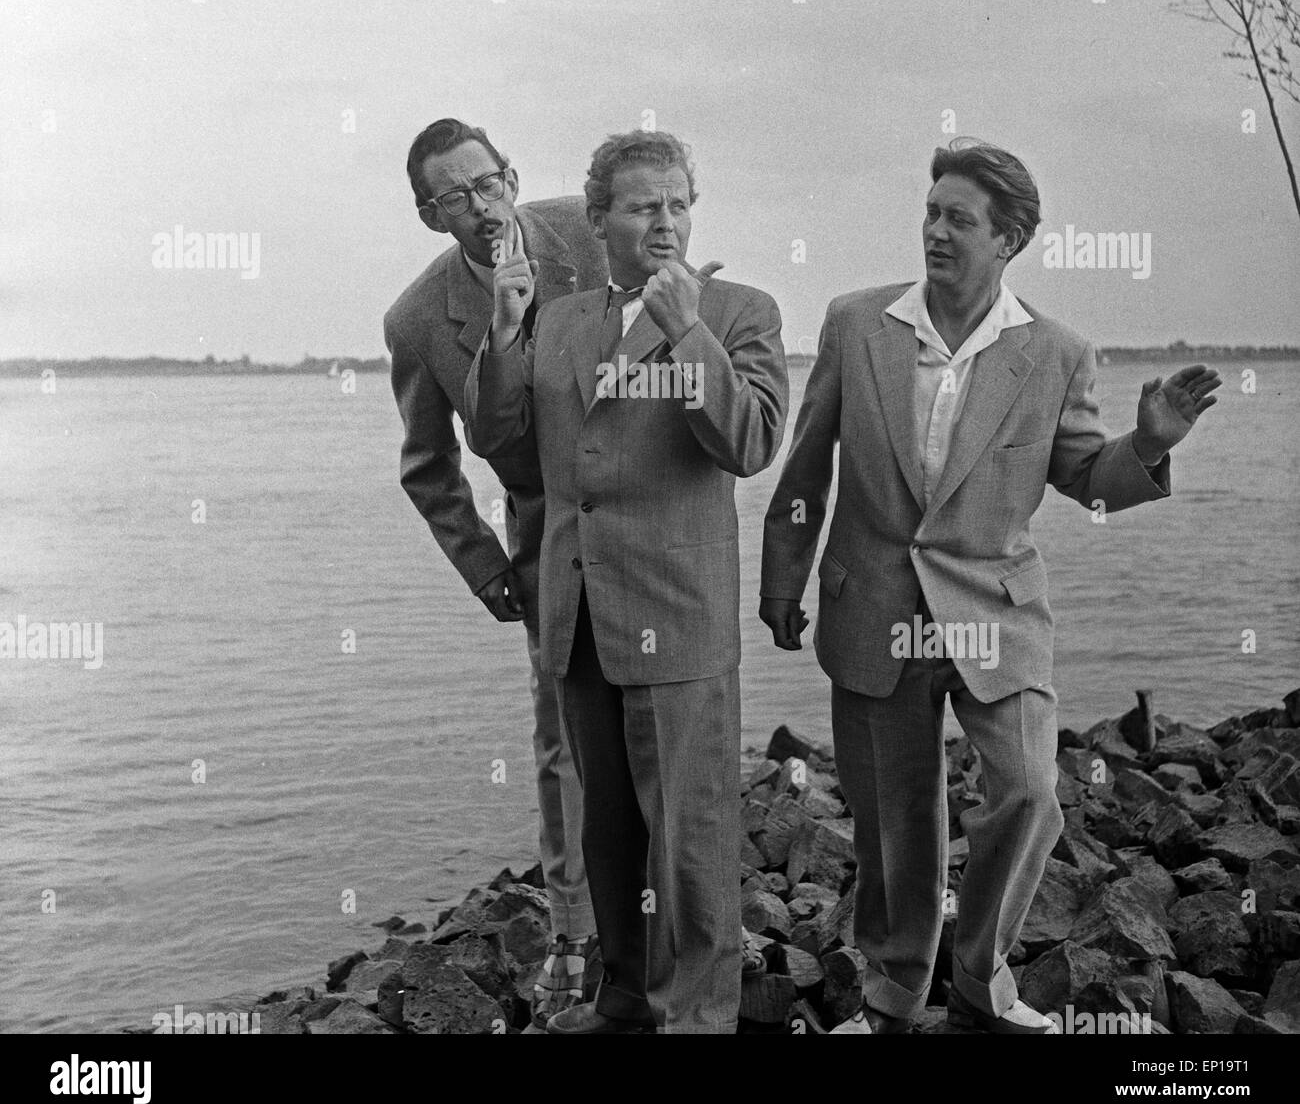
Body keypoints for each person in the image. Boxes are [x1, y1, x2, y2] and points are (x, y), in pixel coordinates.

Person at [759, 137, 1220, 1035]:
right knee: (895, 818)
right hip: (873, 607)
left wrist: (1152, 444)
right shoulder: (856, 325)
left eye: (958, 220)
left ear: (1008, 240)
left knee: (1028, 792)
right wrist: (784, 579)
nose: (935, 231)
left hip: (994, 616)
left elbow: (1088, 477)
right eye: (931, 212)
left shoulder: (1055, 353)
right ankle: (893, 994)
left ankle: (978, 978)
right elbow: (807, 467)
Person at [465, 130, 788, 1033]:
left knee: (690, 840)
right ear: (597, 217)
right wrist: (501, 330)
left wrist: (686, 330)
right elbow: (499, 439)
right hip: (577, 613)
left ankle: (698, 1016)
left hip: (678, 619)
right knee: (608, 831)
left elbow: (752, 443)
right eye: (644, 206)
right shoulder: (561, 318)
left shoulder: (737, 311)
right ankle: (625, 1000)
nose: (666, 222)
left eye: (679, 205)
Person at [383, 117, 607, 1029]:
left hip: (641, 520)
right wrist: (485, 572)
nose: (480, 208)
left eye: (488, 184)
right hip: (540, 533)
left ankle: (677, 917)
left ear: (510, 174)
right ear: (428, 215)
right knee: (562, 741)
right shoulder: (415, 318)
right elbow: (427, 466)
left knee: (660, 722)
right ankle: (574, 928)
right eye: (453, 198)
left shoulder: (589, 230)